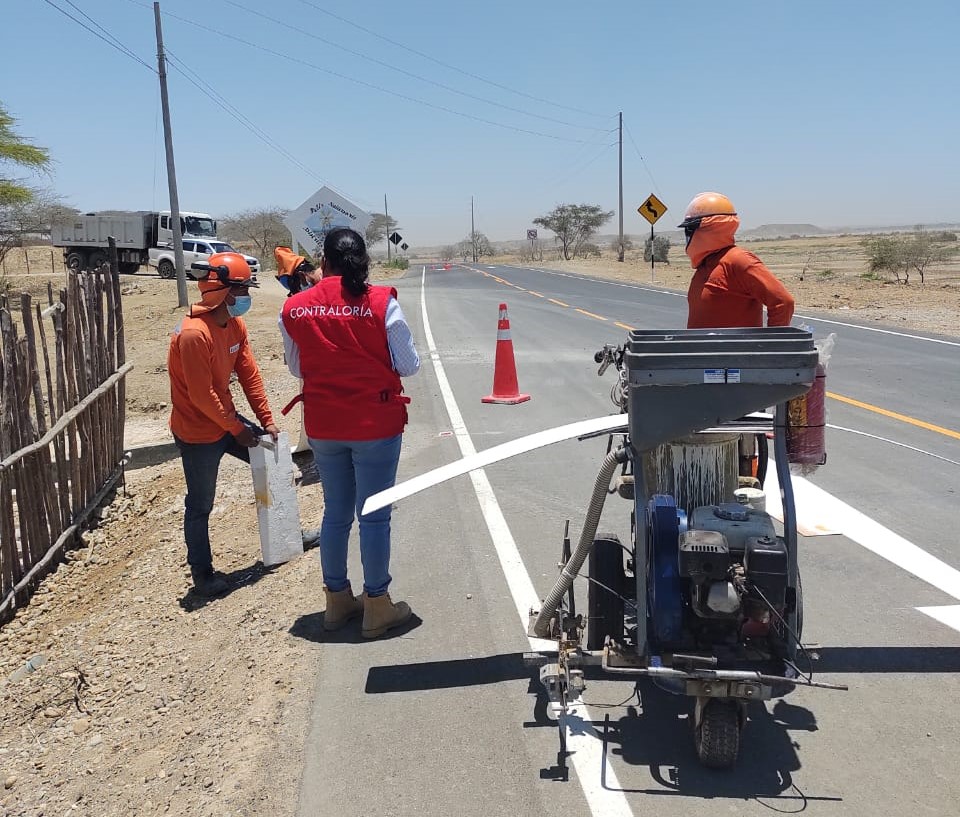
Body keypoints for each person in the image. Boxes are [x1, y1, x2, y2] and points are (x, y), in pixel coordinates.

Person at [279, 227, 420, 638]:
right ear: (365, 262)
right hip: (375, 424)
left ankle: (337, 601)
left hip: (324, 425)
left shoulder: (294, 308)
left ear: (324, 263)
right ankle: (377, 605)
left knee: (336, 512)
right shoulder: (381, 302)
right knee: (374, 516)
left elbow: (297, 367)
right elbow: (409, 365)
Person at [168, 252, 311, 597]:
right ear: (223, 292)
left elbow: (249, 375)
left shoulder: (234, 325)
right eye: (242, 289)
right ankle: (203, 576)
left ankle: (290, 536)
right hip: (198, 433)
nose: (246, 295)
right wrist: (237, 430)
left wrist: (266, 421)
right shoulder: (193, 335)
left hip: (225, 420)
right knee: (200, 504)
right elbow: (202, 397)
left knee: (275, 466)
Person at [679, 192, 795, 329]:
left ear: (708, 228)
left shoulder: (739, 260)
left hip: (734, 344)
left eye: (689, 229)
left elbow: (783, 302)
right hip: (702, 343)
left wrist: (773, 341)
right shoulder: (705, 264)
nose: (688, 235)